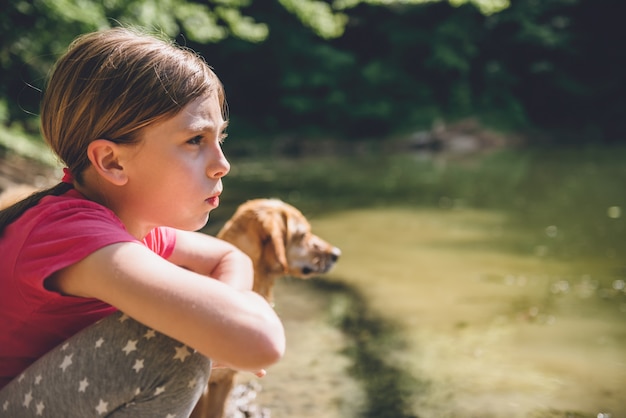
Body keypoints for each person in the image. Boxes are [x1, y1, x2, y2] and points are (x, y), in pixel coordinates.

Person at [0, 27, 285, 417]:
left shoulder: (131, 229)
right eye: (195, 141)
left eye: (220, 138)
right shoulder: (72, 234)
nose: (222, 164)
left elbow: (229, 256)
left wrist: (224, 319)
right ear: (112, 162)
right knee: (172, 346)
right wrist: (220, 331)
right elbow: (261, 341)